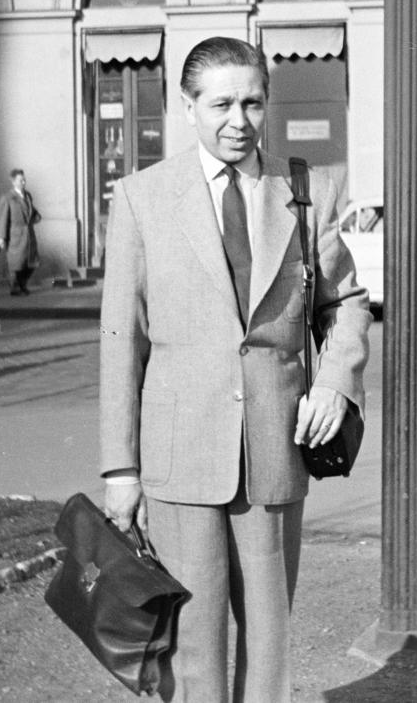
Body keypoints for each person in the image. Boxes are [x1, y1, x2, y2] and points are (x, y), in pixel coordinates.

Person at [99, 36, 370, 702]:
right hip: (178, 455)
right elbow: (120, 340)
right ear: (186, 106)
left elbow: (347, 301)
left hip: (275, 451)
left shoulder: (304, 190)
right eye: (221, 103)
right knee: (193, 638)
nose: (238, 120)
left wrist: (336, 380)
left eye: (252, 102)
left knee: (269, 636)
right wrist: (120, 468)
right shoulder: (141, 199)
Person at [0, 168, 41, 296]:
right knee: (16, 264)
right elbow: (3, 219)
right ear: (13, 182)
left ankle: (22, 284)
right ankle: (15, 288)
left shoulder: (27, 195)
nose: (24, 182)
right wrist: (1, 237)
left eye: (24, 179)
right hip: (15, 235)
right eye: (21, 180)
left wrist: (36, 216)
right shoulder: (7, 198)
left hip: (29, 234)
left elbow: (31, 210)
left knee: (31, 263)